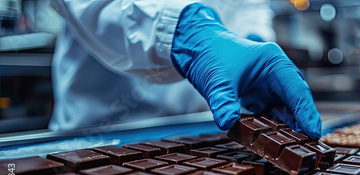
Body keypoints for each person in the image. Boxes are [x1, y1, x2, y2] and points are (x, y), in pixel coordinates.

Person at [49, 0, 322, 139]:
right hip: (101, 133)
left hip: (201, 131)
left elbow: (249, 5)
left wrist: (251, 41)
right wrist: (184, 30)